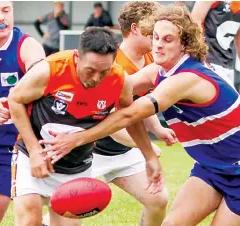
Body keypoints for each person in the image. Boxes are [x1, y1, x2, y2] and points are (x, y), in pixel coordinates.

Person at [40, 4, 240, 226]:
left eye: (168, 39)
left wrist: (76, 139)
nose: (158, 45)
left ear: (185, 44)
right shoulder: (160, 70)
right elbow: (117, 88)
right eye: (155, 37)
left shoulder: (188, 78)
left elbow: (130, 115)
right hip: (211, 166)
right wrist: (57, 87)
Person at [8, 27, 162, 226]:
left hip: (76, 165)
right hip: (31, 156)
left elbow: (129, 117)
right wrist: (34, 150)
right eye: (90, 70)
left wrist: (149, 156)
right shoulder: (50, 70)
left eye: (104, 71)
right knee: (30, 218)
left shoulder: (120, 80)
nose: (97, 78)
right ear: (77, 57)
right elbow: (15, 100)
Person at [91, 2, 177, 226]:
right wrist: (144, 147)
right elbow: (113, 125)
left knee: (158, 200)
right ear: (136, 29)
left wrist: (157, 128)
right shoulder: (112, 65)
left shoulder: (150, 59)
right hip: (91, 151)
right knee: (68, 214)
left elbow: (140, 104)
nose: (158, 37)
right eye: (154, 31)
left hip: (124, 152)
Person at [0, 1, 45, 226]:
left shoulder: (27, 46)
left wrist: (15, 100)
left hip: (5, 150)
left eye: (6, 11)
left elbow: (43, 81)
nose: (1, 17)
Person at [191, 1, 240, 88]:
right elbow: (193, 25)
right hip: (207, 62)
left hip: (228, 65)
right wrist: (200, 59)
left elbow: (239, 38)